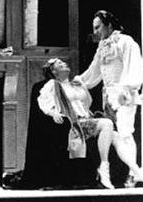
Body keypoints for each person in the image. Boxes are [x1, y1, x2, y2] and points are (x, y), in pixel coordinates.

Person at [75, 10, 143, 187]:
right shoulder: (102, 46)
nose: (95, 31)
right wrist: (80, 81)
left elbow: (134, 66)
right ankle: (132, 173)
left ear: (109, 25)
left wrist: (127, 88)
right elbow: (94, 71)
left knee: (125, 133)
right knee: (114, 136)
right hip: (108, 96)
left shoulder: (125, 42)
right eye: (94, 28)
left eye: (98, 27)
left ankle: (134, 175)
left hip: (124, 94)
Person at [37, 58, 116, 189]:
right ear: (54, 71)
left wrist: (82, 88)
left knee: (116, 136)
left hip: (85, 118)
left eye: (63, 62)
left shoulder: (76, 82)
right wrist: (53, 113)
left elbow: (88, 99)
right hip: (75, 123)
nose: (64, 63)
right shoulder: (53, 84)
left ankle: (134, 173)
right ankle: (104, 167)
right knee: (107, 123)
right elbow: (42, 100)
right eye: (59, 64)